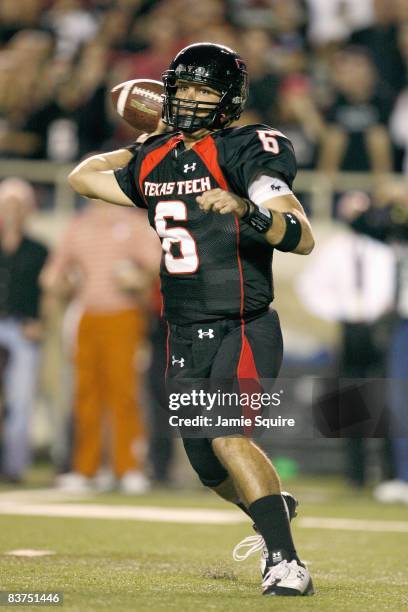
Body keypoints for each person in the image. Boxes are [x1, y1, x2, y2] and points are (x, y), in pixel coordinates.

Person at [68, 42, 315, 597]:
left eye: (205, 90)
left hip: (243, 320)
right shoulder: (155, 155)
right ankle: (271, 507)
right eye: (183, 88)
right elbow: (83, 178)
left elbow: (301, 237)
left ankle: (286, 563)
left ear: (228, 99)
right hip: (184, 329)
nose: (191, 100)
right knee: (208, 466)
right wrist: (143, 140)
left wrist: (246, 208)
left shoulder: (249, 147)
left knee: (230, 435)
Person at [41, 200, 161, 494]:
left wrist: (138, 278)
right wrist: (62, 284)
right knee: (86, 394)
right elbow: (52, 274)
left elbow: (158, 263)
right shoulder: (78, 226)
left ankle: (128, 467)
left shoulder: (132, 223)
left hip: (124, 315)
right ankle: (86, 468)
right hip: (87, 315)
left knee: (123, 392)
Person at [0, 178, 48, 482]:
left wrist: (40, 322)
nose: (13, 211)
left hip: (22, 329)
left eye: (19, 205)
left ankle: (15, 467)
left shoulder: (39, 250)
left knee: (21, 401)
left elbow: (47, 292)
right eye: (8, 205)